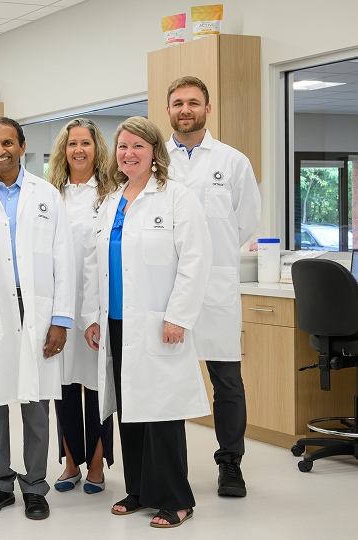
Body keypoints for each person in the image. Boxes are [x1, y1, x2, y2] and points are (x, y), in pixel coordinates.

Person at [82, 116, 212, 528]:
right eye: (123, 146)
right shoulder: (112, 199)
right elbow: (94, 264)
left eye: (138, 145)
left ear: (155, 152)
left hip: (158, 322)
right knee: (129, 409)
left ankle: (176, 498)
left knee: (163, 411)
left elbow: (195, 260)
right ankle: (138, 489)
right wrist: (92, 316)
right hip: (117, 322)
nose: (129, 153)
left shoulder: (176, 197)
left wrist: (178, 316)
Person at [0, 117, 75, 520]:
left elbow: (63, 260)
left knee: (36, 404)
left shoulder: (46, 194)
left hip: (37, 309)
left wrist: (61, 319)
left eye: (8, 143)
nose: (0, 150)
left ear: (22, 146)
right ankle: (0, 484)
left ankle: (35, 486)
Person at [164, 76, 261, 497]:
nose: (185, 109)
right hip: (167, 288)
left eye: (193, 102)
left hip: (215, 286)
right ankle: (171, 469)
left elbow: (246, 221)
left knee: (227, 382)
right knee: (169, 379)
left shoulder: (233, 161)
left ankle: (231, 464)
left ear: (207, 109)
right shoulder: (156, 159)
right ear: (168, 110)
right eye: (178, 103)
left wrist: (210, 256)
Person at [46, 118, 114, 494]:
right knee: (64, 385)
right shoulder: (51, 194)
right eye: (72, 143)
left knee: (98, 384)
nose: (78, 150)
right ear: (64, 150)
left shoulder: (111, 193)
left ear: (96, 148)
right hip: (59, 304)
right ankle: (71, 462)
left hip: (97, 305)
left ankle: (98, 463)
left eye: (85, 143)